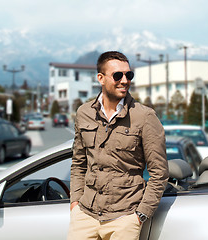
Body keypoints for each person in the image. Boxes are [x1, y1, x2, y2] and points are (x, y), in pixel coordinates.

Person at [67, 51, 169, 240]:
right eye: (117, 75)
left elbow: (159, 172)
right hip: (85, 215)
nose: (124, 80)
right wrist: (75, 203)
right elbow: (78, 163)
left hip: (125, 217)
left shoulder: (145, 117)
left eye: (128, 75)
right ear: (101, 78)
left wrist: (140, 215)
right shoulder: (84, 113)